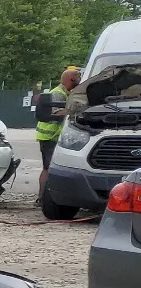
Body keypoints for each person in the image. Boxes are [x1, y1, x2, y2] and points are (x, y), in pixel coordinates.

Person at [36, 66, 81, 194]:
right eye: (76, 80)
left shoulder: (66, 93)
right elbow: (57, 114)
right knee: (48, 168)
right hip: (49, 137)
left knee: (52, 168)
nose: (78, 83)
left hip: (55, 137)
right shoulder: (57, 93)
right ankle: (43, 197)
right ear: (70, 79)